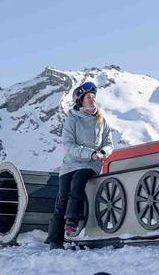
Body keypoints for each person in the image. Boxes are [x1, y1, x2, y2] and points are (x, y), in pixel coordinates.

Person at [46, 81, 114, 249]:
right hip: (71, 163)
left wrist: (103, 153)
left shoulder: (101, 120)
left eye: (93, 97)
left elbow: (109, 143)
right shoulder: (72, 119)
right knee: (62, 199)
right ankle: (55, 240)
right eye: (88, 97)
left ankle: (72, 220)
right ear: (80, 101)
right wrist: (88, 153)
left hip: (91, 164)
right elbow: (69, 145)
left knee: (79, 179)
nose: (92, 100)